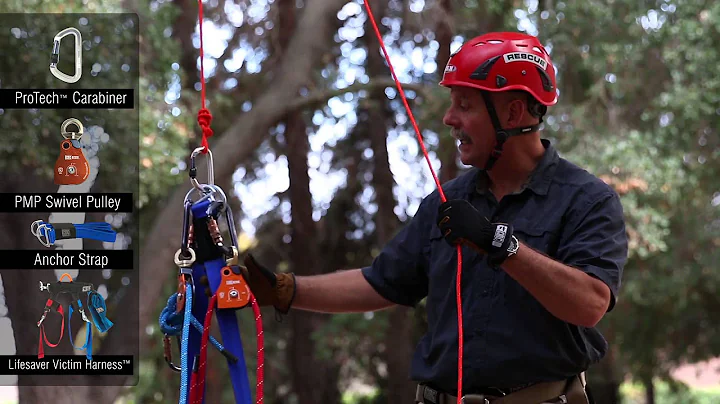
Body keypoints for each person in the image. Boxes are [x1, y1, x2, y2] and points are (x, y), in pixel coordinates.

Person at [241, 32, 628, 404]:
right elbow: (380, 283)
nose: (449, 118)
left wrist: (499, 245)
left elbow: (589, 303)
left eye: (465, 105)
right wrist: (283, 290)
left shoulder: (587, 199)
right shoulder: (448, 201)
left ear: (512, 112)